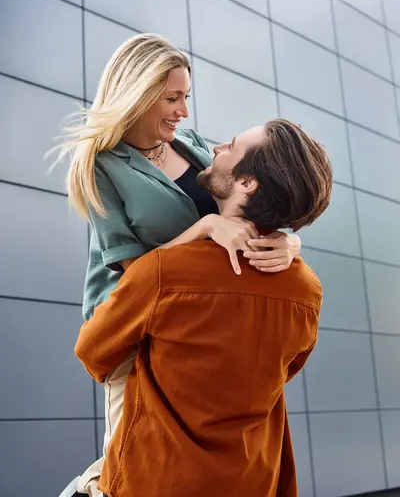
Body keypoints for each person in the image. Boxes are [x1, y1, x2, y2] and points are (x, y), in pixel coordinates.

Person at [55, 34, 301, 497]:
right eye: (171, 97)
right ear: (139, 93)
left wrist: (290, 242)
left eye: (185, 96)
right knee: (133, 462)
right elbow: (130, 268)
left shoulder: (189, 144)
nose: (183, 111)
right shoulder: (100, 164)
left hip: (192, 322)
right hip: (131, 329)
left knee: (187, 457)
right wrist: (203, 228)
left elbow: (246, 199)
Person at [75, 119, 333, 497]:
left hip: (159, 480)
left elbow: (93, 351)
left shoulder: (164, 272)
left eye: (230, 146)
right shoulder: (307, 290)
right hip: (253, 480)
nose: (214, 149)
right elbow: (285, 369)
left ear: (247, 183)